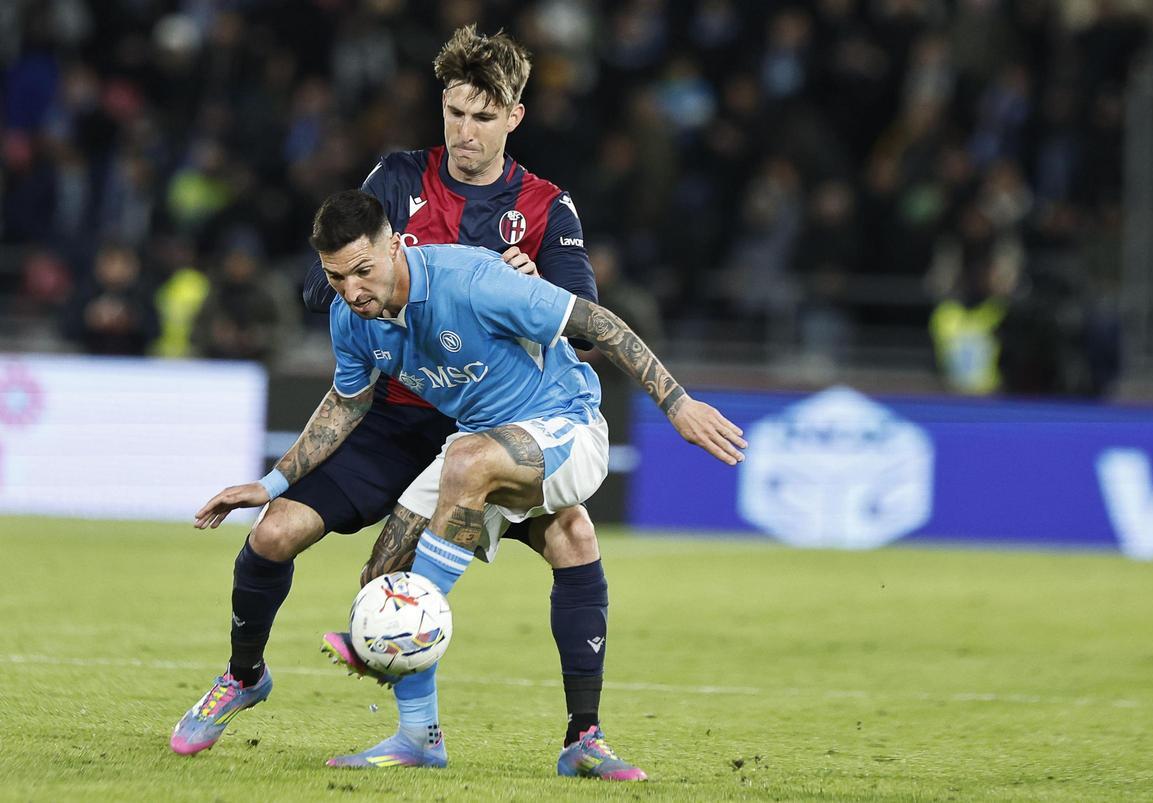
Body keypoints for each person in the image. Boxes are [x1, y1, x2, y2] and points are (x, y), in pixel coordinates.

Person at [168, 25, 612, 775]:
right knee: (275, 532)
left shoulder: (544, 207)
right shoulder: (399, 178)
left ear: (514, 117)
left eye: (483, 116)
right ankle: (244, 676)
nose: (465, 132)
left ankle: (584, 736)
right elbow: (320, 283)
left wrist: (527, 283)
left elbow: (586, 322)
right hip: (394, 415)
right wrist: (383, 275)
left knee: (572, 535)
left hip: (489, 421)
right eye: (454, 112)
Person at [192, 189, 746, 779]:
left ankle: (426, 625)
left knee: (459, 492)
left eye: (362, 270)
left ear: (395, 246)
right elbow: (346, 403)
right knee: (384, 577)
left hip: (566, 423)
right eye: (336, 277)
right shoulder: (350, 318)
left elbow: (598, 323)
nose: (352, 290)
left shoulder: (474, 281)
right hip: (479, 443)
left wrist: (677, 404)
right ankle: (425, 736)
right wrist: (274, 482)